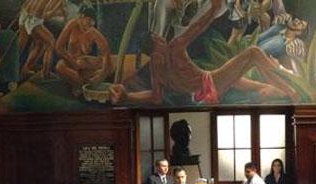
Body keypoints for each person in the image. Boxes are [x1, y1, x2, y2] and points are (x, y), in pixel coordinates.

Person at [108, 0, 298, 106]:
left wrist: (128, 97)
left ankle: (264, 88)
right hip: (209, 86)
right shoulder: (174, 46)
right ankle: (291, 93)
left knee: (234, 78)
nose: (162, 38)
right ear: (157, 42)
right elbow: (198, 26)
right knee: (254, 53)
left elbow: (156, 97)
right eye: (159, 38)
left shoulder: (156, 66)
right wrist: (214, 8)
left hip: (196, 96)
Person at [53, 5, 112, 96]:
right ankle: (83, 83)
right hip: (71, 60)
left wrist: (102, 74)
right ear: (81, 17)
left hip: (85, 63)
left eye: (91, 21)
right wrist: (73, 63)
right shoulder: (72, 24)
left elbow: (106, 52)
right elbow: (59, 47)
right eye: (87, 19)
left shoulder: (93, 32)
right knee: (59, 67)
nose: (89, 23)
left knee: (89, 64)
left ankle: (84, 83)